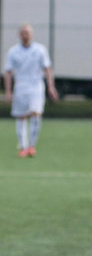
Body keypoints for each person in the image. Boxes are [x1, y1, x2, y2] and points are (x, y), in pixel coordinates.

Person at [3, 24, 59, 157]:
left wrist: (51, 87)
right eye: (23, 32)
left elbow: (47, 69)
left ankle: (31, 146)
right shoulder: (13, 51)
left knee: (36, 113)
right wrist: (8, 91)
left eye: (27, 32)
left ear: (32, 34)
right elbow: (8, 72)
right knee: (21, 116)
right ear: (19, 35)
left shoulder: (40, 50)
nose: (25, 35)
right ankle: (23, 147)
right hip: (21, 87)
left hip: (36, 86)